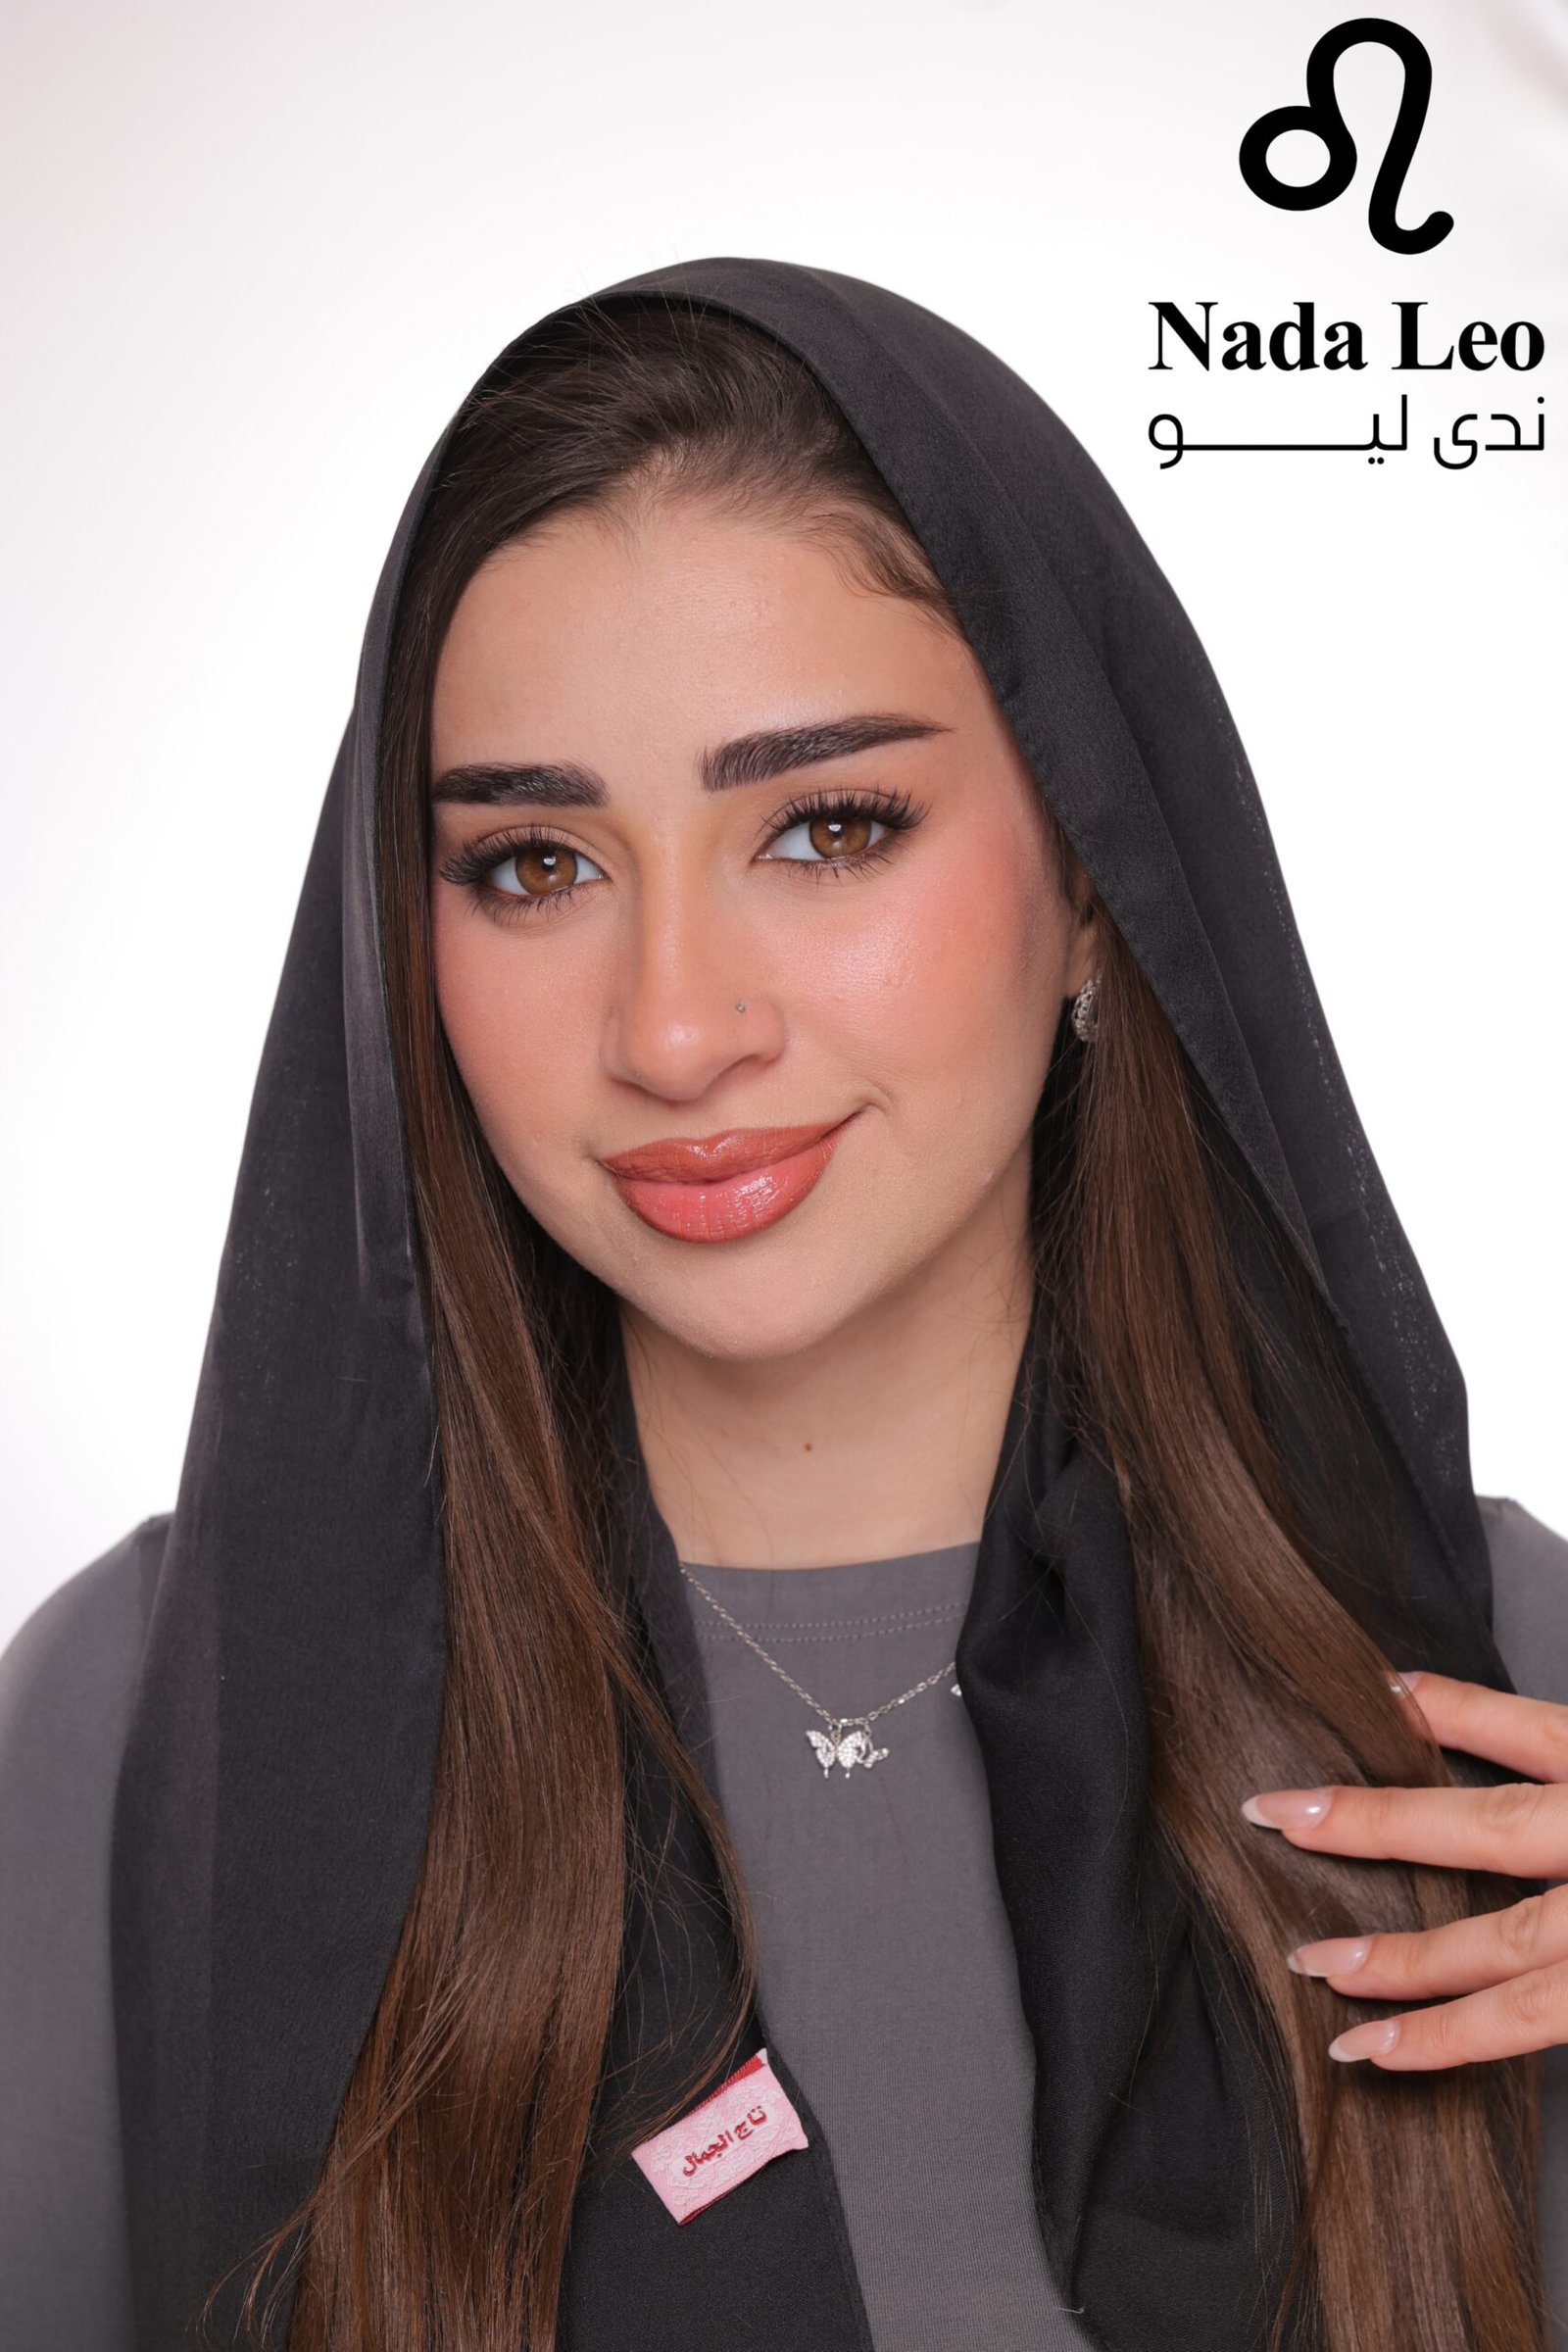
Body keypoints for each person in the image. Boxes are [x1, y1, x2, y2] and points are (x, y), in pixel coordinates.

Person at [2, 261, 1566, 2352]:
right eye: (534, 864)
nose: (672, 1028)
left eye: (828, 829)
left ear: (1094, 885)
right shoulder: (146, 1729)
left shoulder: (1494, 1697)